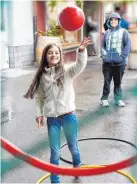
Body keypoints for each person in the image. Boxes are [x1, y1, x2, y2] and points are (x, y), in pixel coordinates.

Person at [24, 37, 92, 183]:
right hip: (52, 118)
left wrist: (80, 51)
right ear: (45, 56)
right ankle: (55, 181)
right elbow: (39, 98)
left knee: (73, 147)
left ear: (60, 56)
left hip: (68, 116)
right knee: (55, 152)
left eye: (56, 53)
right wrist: (39, 114)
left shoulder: (67, 71)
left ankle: (76, 166)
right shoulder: (42, 76)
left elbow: (80, 65)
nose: (53, 55)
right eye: (50, 53)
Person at [100, 12, 131, 107]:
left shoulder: (124, 32)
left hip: (119, 63)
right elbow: (102, 46)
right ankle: (104, 99)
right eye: (111, 20)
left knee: (118, 82)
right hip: (107, 64)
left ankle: (118, 99)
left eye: (115, 19)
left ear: (118, 21)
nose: (113, 21)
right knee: (107, 81)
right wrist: (105, 57)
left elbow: (128, 45)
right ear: (109, 22)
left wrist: (122, 57)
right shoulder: (106, 33)